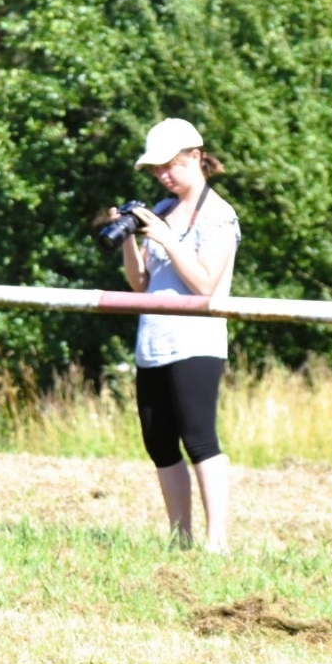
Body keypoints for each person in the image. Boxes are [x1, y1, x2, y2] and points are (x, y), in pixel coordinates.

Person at [118, 118, 241, 552]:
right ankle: (180, 540)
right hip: (153, 342)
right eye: (155, 170)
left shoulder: (220, 216)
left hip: (197, 343)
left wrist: (167, 238)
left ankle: (217, 543)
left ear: (195, 157)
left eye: (168, 166)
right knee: (159, 443)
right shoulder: (162, 210)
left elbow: (205, 284)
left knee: (199, 438)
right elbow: (139, 283)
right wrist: (130, 238)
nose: (162, 176)